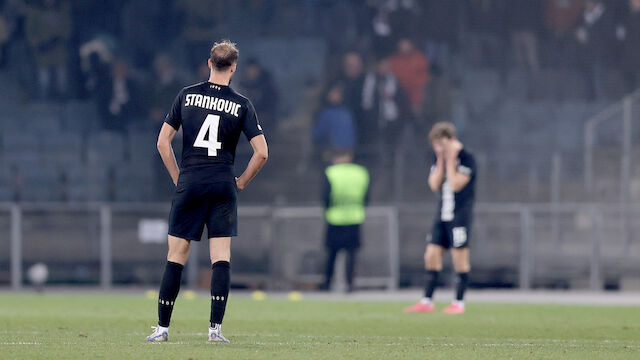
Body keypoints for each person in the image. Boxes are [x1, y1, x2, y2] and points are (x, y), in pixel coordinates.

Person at [147, 40, 268, 343]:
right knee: (221, 257)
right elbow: (262, 153)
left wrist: (179, 176)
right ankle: (215, 331)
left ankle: (162, 329)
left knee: (176, 255)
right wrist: (241, 181)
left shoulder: (186, 96)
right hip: (222, 183)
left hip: (191, 180)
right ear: (234, 67)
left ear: (209, 63)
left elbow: (163, 142)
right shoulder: (241, 104)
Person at [405, 122, 476, 315]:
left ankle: (459, 303)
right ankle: (427, 300)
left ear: (452, 141)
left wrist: (452, 159)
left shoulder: (466, 159)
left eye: (442, 145)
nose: (439, 149)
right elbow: (434, 184)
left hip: (459, 216)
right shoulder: (440, 160)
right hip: (442, 216)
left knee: (459, 258)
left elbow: (455, 184)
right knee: (431, 255)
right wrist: (442, 161)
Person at [320, 149, 370, 293]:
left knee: (331, 254)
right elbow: (367, 195)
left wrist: (328, 209)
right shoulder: (360, 173)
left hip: (334, 217)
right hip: (355, 217)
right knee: (352, 255)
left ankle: (327, 284)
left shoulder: (331, 172)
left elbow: (326, 196)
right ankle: (350, 284)